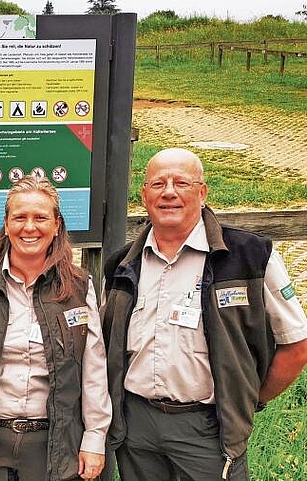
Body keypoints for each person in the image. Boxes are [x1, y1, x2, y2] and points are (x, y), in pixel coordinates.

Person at [101, 147, 307, 480]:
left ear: (202, 192)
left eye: (181, 182)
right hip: (135, 427)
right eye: (158, 184)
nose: (169, 192)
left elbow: (297, 346)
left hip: (208, 429)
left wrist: (245, 401)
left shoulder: (249, 257)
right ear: (144, 195)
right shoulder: (123, 265)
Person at [0, 174, 112, 480]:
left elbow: (93, 369)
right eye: (20, 217)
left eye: (40, 217)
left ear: (56, 225)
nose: (30, 227)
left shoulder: (80, 288)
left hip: (53, 442)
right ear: (6, 224)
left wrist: (94, 437)